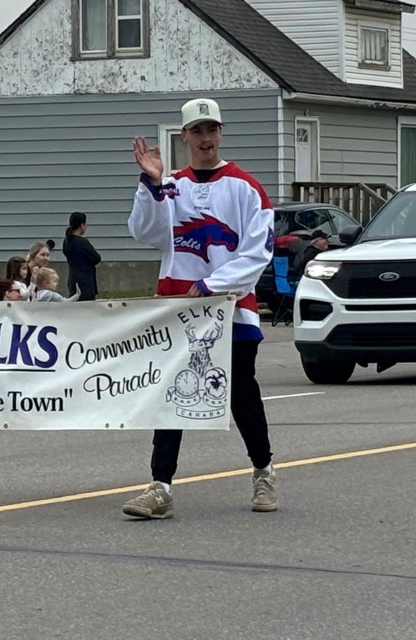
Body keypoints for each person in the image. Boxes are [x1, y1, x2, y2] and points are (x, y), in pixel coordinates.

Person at [124, 97, 277, 519]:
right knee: (172, 395)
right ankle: (160, 486)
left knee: (241, 393)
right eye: (197, 131)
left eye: (212, 130)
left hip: (231, 308)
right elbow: (146, 232)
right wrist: (150, 185)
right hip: (178, 311)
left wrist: (211, 284)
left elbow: (256, 254)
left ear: (220, 134)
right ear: (185, 136)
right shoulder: (172, 185)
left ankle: (263, 470)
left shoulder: (246, 188)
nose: (205, 139)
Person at [62, 211, 101, 301]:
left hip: (72, 280)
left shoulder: (66, 241)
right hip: (85, 282)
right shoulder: (82, 242)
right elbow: (97, 258)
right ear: (82, 225)